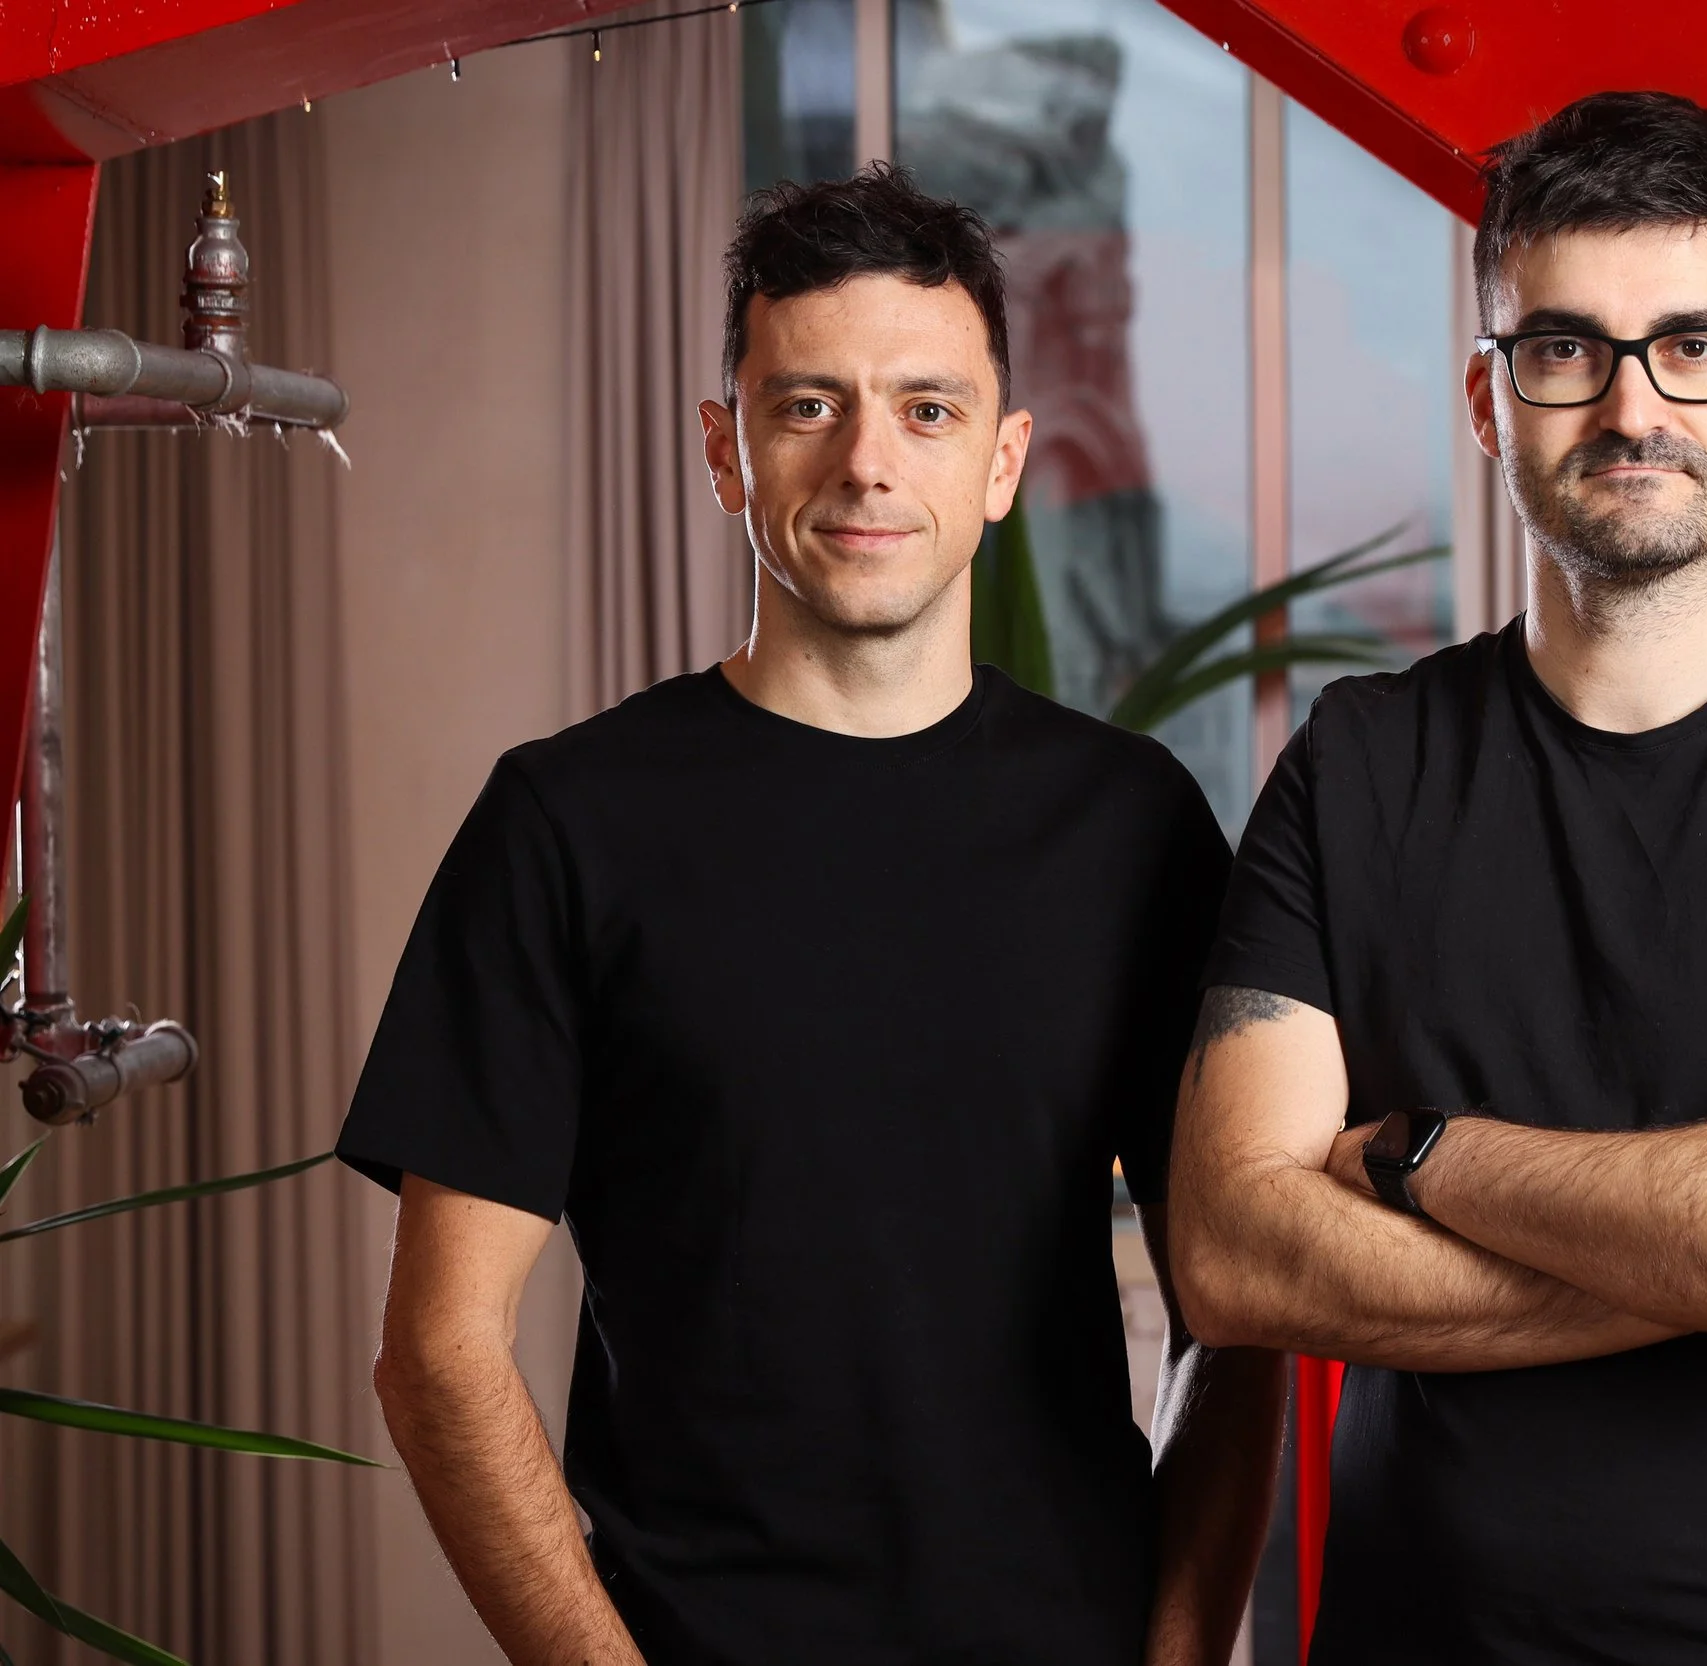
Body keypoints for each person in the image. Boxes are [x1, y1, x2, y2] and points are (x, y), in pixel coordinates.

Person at [339, 165, 1284, 1666]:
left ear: (1003, 460)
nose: (866, 463)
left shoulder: (1134, 825)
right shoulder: (566, 823)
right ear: (726, 448)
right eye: (807, 406)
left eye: (927, 409)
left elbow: (1235, 1322)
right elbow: (439, 1352)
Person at [1168, 91, 1707, 1664]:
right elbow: (1234, 1253)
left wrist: (1424, 1153)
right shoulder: (1360, 759)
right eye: (1567, 348)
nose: (1632, 405)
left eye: (1695, 346)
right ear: (1488, 394)